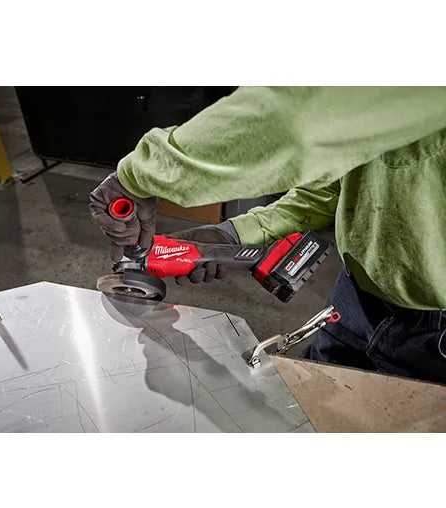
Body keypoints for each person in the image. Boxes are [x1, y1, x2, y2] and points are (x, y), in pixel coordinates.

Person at [90, 86, 446, 385]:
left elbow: (297, 120)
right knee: (308, 405)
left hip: (435, 349)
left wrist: (140, 176)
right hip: (355, 301)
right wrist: (231, 234)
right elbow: (333, 190)